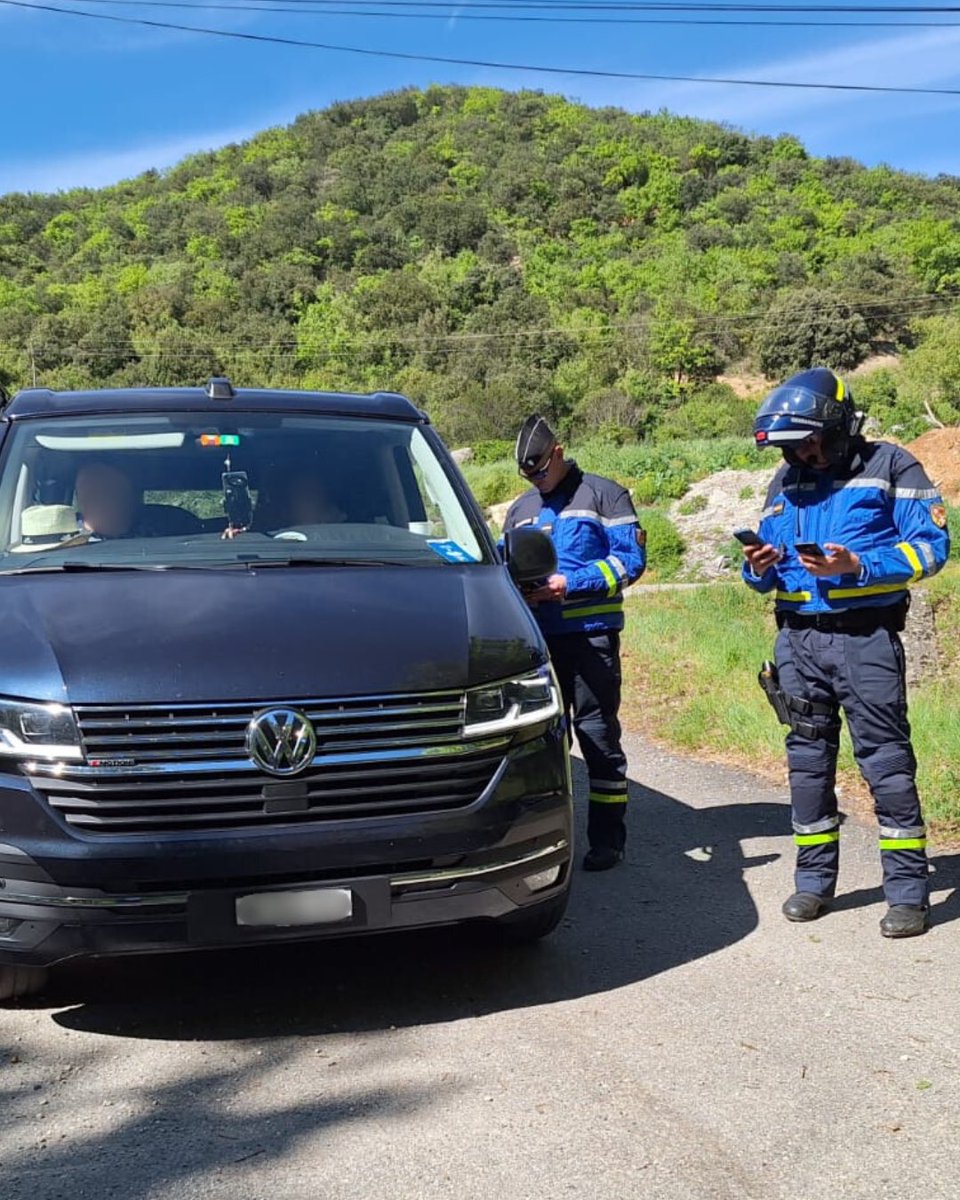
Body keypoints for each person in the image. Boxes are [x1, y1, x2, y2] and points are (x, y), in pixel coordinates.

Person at [741, 366, 951, 938]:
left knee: (885, 764)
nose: (803, 455)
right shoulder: (784, 482)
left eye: (810, 443)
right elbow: (768, 568)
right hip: (797, 643)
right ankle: (813, 883)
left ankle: (908, 892)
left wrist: (857, 567)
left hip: (866, 640)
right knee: (807, 766)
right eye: (793, 446)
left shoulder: (891, 466)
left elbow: (933, 549)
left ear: (837, 427)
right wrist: (757, 566)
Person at [503, 414, 646, 871]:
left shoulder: (605, 494)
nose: (535, 480)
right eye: (527, 475)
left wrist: (571, 584)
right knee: (537, 745)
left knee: (597, 737)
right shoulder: (521, 509)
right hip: (537, 644)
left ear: (559, 452)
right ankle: (540, 842)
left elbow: (630, 561)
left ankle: (608, 840)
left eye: (541, 470)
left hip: (590, 639)